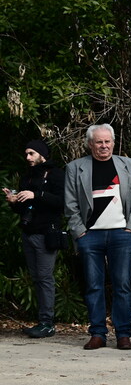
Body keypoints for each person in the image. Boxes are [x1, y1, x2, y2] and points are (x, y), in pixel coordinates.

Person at [64, 124, 131, 350]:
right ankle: (98, 333)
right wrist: (80, 232)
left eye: (107, 141)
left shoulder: (128, 165)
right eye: (99, 142)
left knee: (122, 285)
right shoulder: (75, 167)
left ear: (113, 142)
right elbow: (70, 205)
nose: (104, 146)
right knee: (93, 286)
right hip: (90, 236)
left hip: (121, 234)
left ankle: (123, 335)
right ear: (90, 144)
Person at [2, 140, 64, 338]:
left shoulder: (56, 174)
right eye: (26, 153)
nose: (27, 157)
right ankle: (42, 321)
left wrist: (36, 195)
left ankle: (47, 323)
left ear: (42, 154)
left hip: (47, 234)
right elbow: (24, 208)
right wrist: (13, 201)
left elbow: (62, 202)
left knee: (45, 278)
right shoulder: (27, 177)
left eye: (31, 153)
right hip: (28, 233)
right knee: (37, 278)